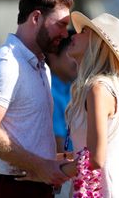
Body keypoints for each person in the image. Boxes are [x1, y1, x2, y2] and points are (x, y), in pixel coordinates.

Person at [0, 0, 74, 197]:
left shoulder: (42, 65)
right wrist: (41, 165)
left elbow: (28, 135)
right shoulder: (5, 63)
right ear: (36, 18)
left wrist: (51, 162)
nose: (65, 34)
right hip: (13, 189)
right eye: (61, 24)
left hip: (33, 186)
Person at [58, 11, 119, 197]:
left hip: (103, 190)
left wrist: (54, 171)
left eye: (84, 31)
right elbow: (83, 153)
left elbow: (95, 159)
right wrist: (41, 163)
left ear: (98, 44)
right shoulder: (98, 87)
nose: (74, 34)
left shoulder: (97, 89)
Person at [45, 31, 77, 198]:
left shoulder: (76, 87)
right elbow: (58, 144)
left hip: (73, 170)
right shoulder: (47, 90)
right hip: (60, 175)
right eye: (69, 52)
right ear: (52, 56)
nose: (75, 59)